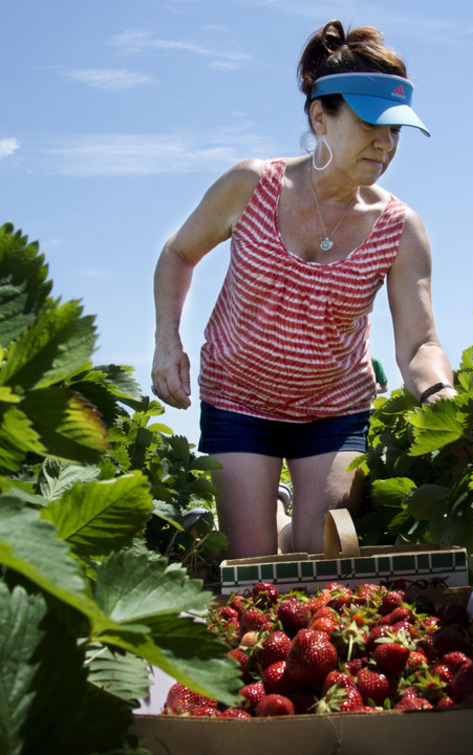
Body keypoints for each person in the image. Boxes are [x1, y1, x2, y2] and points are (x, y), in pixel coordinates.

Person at [151, 19, 457, 559]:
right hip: (240, 400)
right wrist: (167, 341)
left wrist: (441, 396)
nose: (385, 144)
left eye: (396, 132)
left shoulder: (400, 228)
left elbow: (419, 344)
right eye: (371, 126)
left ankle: (288, 515)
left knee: (324, 559)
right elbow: (179, 252)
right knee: (255, 570)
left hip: (333, 408)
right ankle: (250, 519)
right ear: (321, 117)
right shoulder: (252, 185)